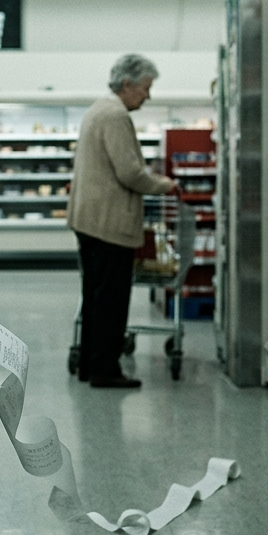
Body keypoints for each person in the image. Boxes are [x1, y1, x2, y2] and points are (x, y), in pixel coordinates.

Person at [66, 54, 177, 388]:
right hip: (109, 224)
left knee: (95, 297)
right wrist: (166, 185)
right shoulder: (115, 115)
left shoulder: (98, 109)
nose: (148, 96)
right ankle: (105, 370)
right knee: (111, 302)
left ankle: (89, 364)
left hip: (90, 221)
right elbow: (130, 173)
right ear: (127, 84)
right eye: (145, 88)